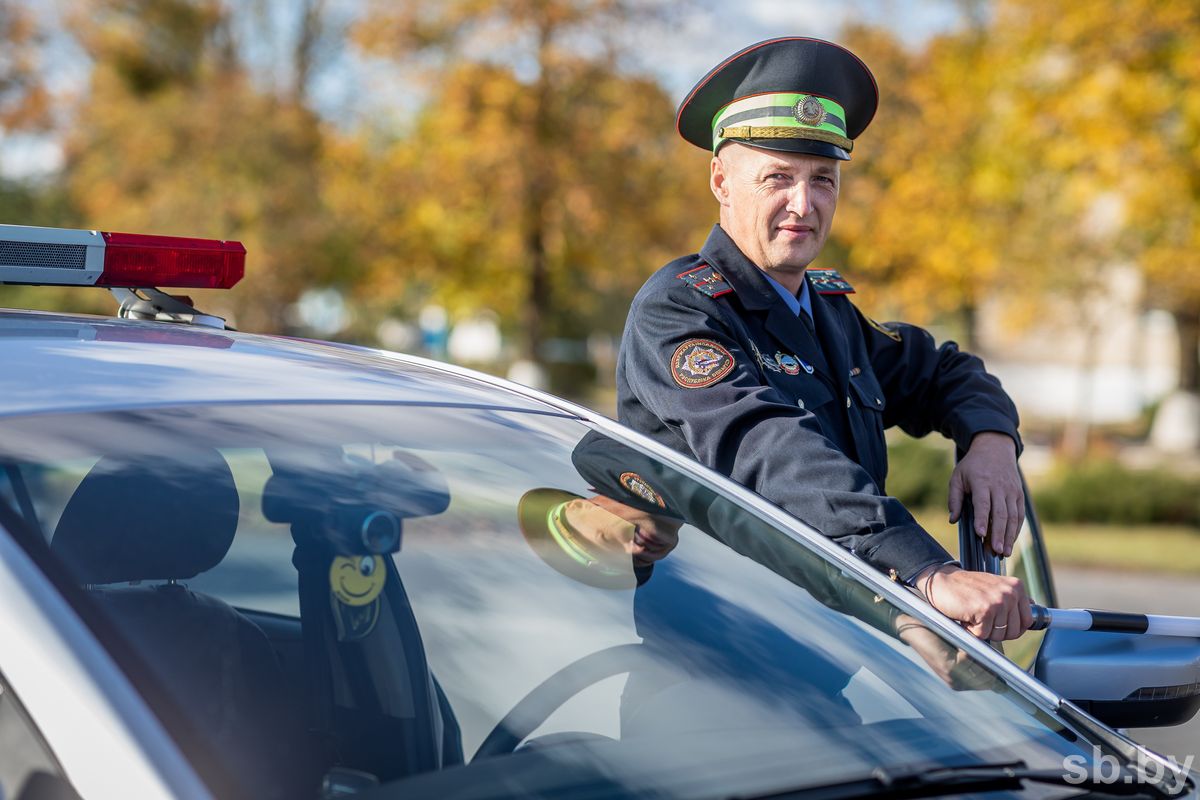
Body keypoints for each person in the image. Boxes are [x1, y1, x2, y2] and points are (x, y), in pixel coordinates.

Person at [616, 37, 1032, 642]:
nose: (802, 205)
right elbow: (771, 448)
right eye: (778, 177)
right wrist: (924, 571)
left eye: (823, 179)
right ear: (721, 180)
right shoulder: (679, 309)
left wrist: (991, 440)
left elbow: (944, 372)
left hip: (829, 656)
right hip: (713, 667)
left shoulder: (829, 313)